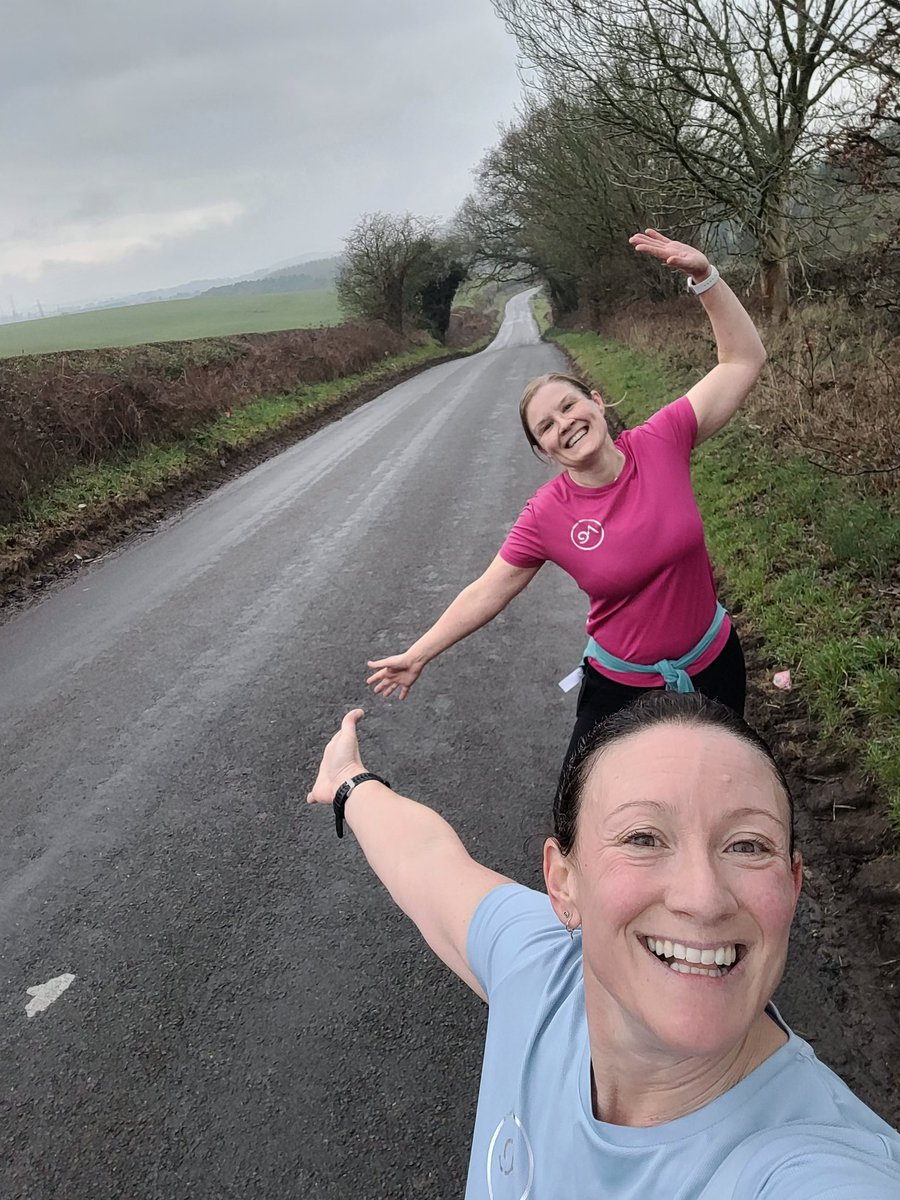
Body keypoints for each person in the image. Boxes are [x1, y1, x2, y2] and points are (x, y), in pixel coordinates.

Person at [307, 693, 900, 1198]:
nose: (704, 897)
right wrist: (348, 783)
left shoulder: (823, 1168)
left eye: (748, 846)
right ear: (564, 883)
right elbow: (425, 860)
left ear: (793, 885)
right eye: (643, 837)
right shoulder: (543, 970)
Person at [366, 229, 767, 767]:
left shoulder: (662, 440)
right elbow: (488, 590)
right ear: (544, 450)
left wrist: (706, 277)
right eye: (546, 427)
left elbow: (741, 360)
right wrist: (419, 653)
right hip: (621, 688)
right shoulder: (547, 514)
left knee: (722, 795)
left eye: (569, 407)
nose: (565, 425)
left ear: (597, 403)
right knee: (581, 821)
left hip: (713, 665)